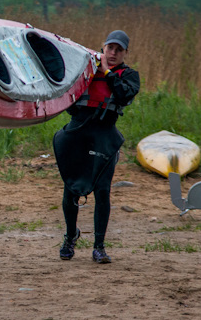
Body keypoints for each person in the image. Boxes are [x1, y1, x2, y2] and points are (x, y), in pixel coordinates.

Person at [54, 30, 140, 264]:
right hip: (77, 132)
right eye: (110, 48)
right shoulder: (85, 68)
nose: (113, 53)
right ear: (103, 48)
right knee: (70, 189)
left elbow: (123, 95)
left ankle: (99, 247)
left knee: (103, 190)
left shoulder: (129, 75)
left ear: (125, 53)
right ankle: (71, 236)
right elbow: (66, 95)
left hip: (104, 135)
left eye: (118, 50)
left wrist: (107, 72)